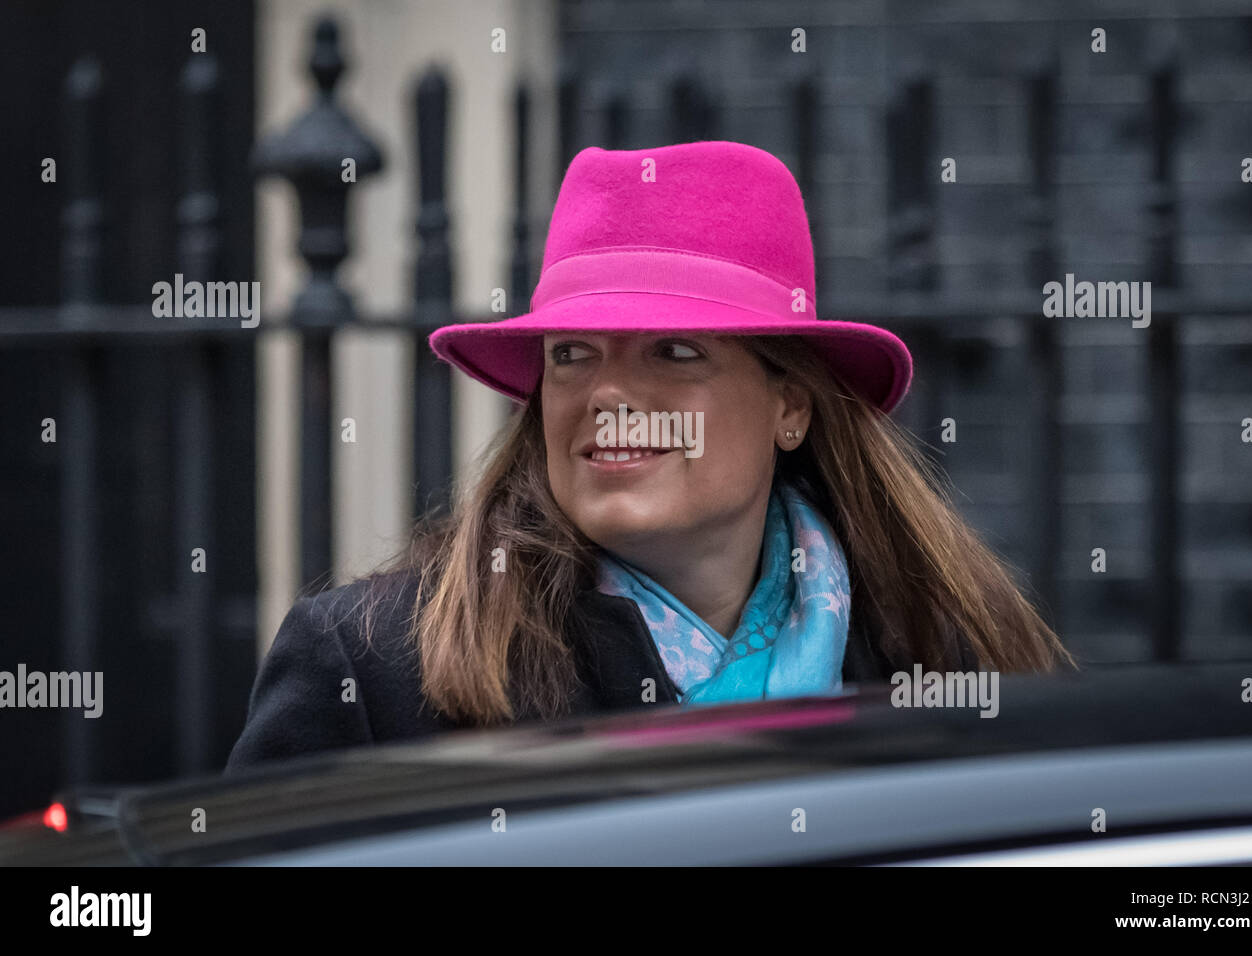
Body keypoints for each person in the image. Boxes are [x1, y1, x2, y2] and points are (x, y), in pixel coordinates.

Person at [225, 140, 1074, 771]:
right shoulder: (374, 672)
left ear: (789, 405)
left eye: (673, 350)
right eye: (572, 353)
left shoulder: (938, 653)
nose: (610, 395)